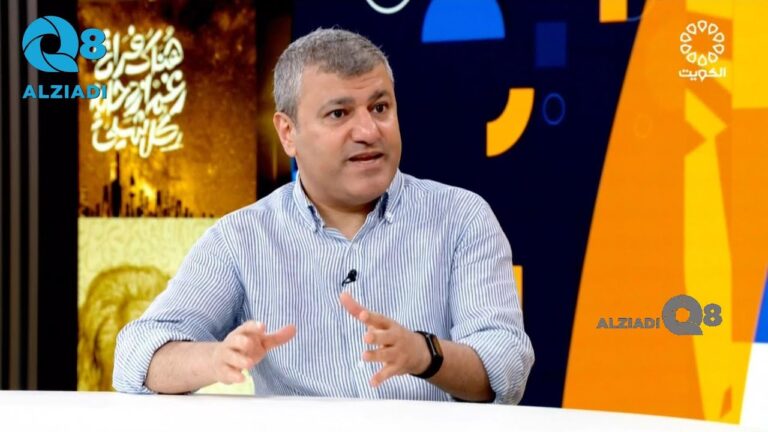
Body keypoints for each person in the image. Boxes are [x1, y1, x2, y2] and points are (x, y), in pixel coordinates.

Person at [113, 28, 534, 404]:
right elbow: (135, 356)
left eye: (380, 108)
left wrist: (426, 354)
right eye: (339, 113)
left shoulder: (461, 218)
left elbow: (506, 368)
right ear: (288, 133)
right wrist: (214, 358)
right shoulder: (243, 237)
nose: (368, 131)